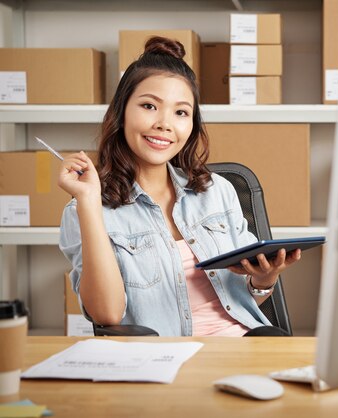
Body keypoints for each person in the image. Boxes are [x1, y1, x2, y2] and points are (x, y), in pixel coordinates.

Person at [58, 36, 301, 337]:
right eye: (149, 106)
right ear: (120, 113)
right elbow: (106, 313)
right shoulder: (86, 208)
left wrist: (263, 280)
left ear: (192, 124)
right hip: (163, 357)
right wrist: (89, 202)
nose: (165, 123)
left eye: (181, 112)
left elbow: (245, 296)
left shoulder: (217, 191)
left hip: (244, 343)